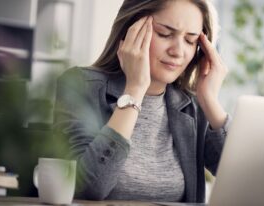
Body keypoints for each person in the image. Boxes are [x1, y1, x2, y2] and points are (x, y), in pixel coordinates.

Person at [53, 0, 230, 203]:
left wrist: (209, 101)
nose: (178, 51)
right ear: (130, 31)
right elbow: (87, 188)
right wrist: (135, 89)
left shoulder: (192, 107)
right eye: (164, 33)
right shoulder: (80, 85)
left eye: (190, 41)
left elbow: (242, 177)